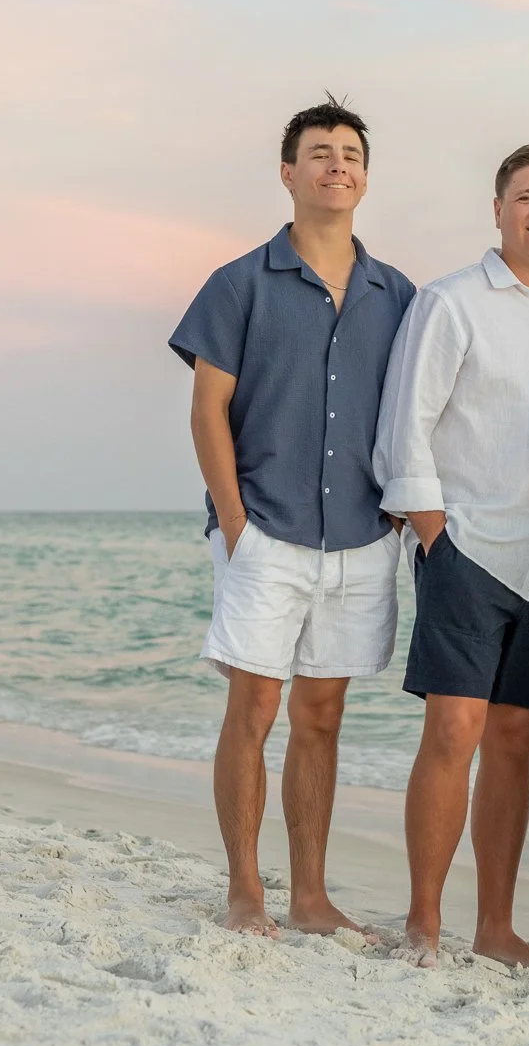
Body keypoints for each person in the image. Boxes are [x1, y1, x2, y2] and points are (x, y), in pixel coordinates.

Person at [167, 96, 416, 938]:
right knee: (255, 708)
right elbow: (208, 413)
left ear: (366, 177)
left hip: (359, 534)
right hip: (263, 530)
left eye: (350, 153)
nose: (336, 163)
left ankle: (310, 897)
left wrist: (398, 518)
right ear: (288, 172)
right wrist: (234, 524)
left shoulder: (398, 295)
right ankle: (245, 890)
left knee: (322, 715)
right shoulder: (238, 283)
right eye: (319, 151)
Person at [373, 142, 529, 968]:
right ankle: (425, 923)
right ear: (499, 208)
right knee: (453, 729)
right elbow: (405, 425)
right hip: (471, 547)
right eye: (526, 196)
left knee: (515, 741)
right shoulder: (450, 303)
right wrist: (434, 534)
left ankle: (496, 928)